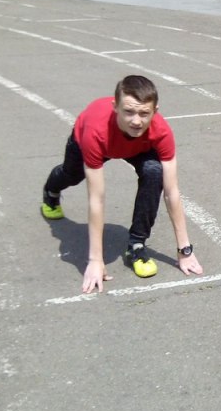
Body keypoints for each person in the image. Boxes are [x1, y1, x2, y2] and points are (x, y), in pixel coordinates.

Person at [40, 75, 204, 293]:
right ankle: (51, 191)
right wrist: (95, 260)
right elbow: (96, 199)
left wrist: (185, 250)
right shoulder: (95, 132)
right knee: (72, 175)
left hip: (138, 147)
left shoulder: (161, 131)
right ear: (115, 107)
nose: (136, 121)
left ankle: (136, 245)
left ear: (155, 111)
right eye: (128, 112)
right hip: (97, 142)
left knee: (154, 171)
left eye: (144, 113)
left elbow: (171, 192)